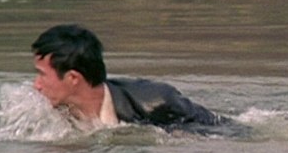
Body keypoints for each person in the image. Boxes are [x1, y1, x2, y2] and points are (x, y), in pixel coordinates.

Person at [31, 24, 222, 129]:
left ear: (73, 78)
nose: (36, 85)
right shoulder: (41, 113)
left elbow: (221, 130)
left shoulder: (156, 101)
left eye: (42, 75)